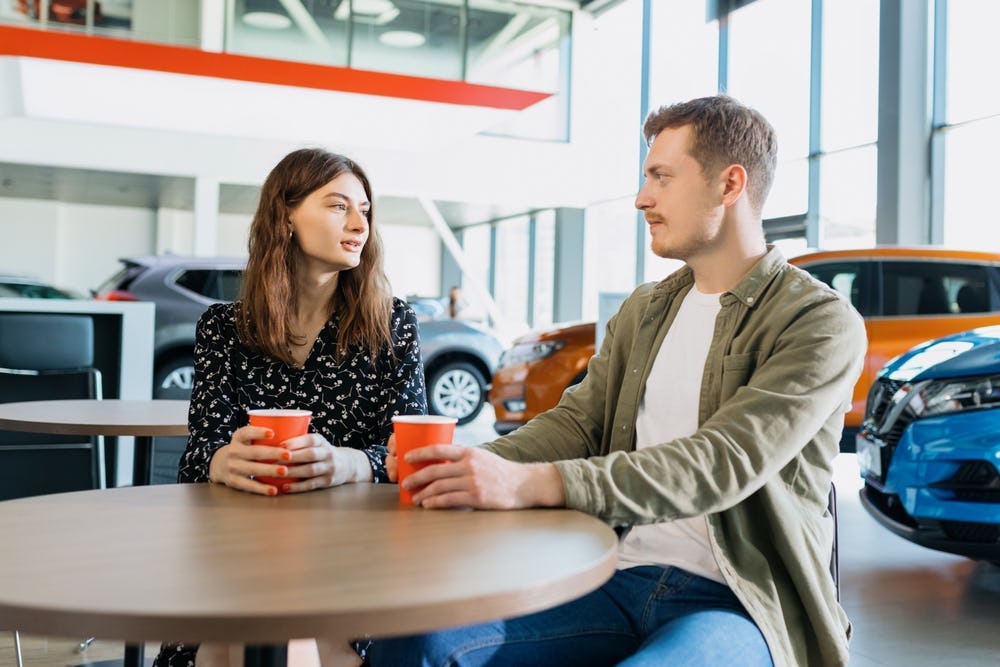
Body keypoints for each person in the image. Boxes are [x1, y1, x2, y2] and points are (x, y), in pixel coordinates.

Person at [369, 96, 866, 667]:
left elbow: (723, 460)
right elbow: (579, 423)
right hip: (615, 574)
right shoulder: (647, 308)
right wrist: (469, 465)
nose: (641, 198)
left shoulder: (818, 321)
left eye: (662, 177)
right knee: (414, 643)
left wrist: (533, 484)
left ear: (730, 185)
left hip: (739, 602)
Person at [153, 148, 427, 667]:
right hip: (244, 553)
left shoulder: (392, 323)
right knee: (222, 647)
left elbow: (412, 456)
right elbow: (197, 457)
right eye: (338, 206)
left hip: (356, 556)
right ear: (285, 216)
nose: (359, 224)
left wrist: (351, 463)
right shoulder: (224, 328)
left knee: (307, 647)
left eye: (365, 210)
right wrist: (222, 460)